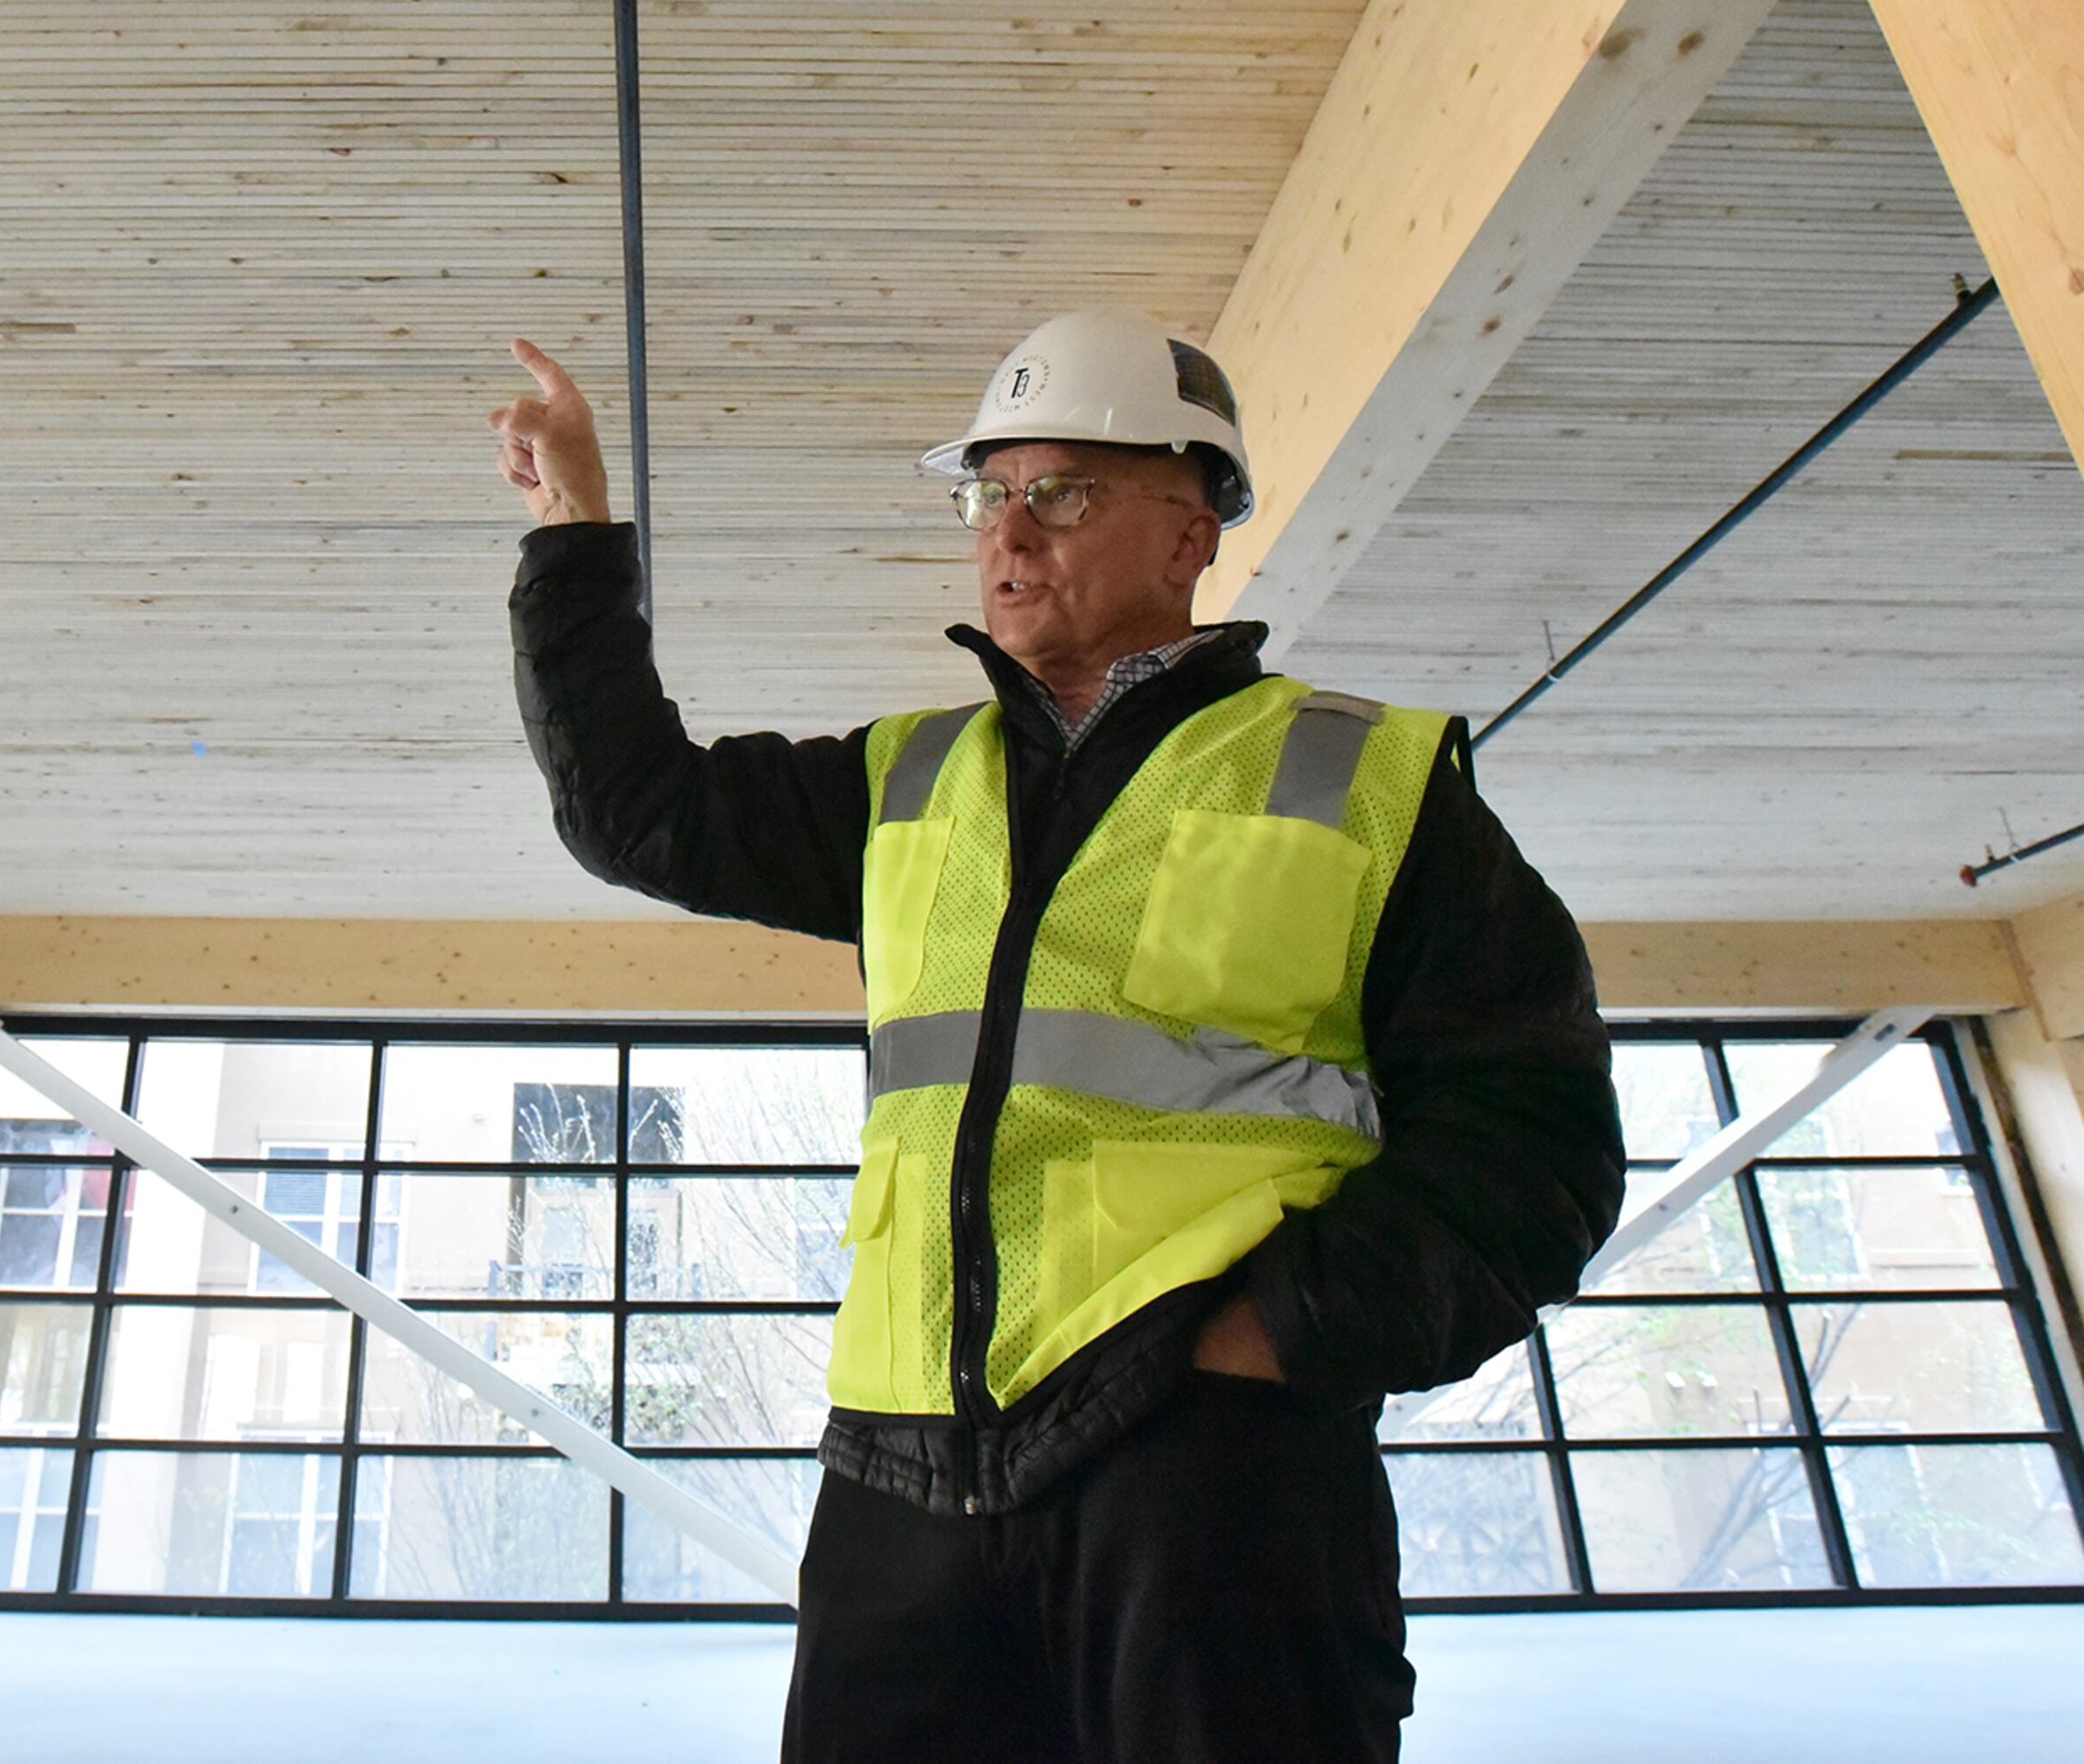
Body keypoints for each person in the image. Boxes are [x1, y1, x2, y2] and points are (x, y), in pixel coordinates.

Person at [491, 308, 1622, 1764]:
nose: (1008, 533)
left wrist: (1277, 1337)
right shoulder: (907, 782)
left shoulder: (1372, 785)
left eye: (1063, 491)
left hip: (1208, 1475)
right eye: (987, 493)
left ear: (1190, 530)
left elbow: (1536, 1145)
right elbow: (634, 811)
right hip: (901, 1469)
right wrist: (576, 528)